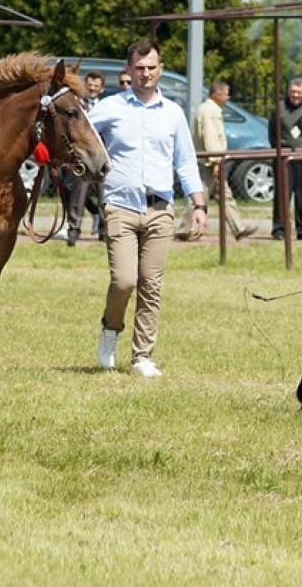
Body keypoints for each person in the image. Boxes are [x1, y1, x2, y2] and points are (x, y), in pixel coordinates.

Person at [88, 39, 208, 378]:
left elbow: (185, 162)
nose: (145, 73)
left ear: (161, 69)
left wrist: (198, 204)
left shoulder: (173, 113)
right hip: (120, 207)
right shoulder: (110, 107)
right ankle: (111, 329)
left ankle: (142, 356)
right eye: (139, 68)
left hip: (160, 209)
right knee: (124, 281)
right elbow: (79, 133)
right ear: (129, 70)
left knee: (151, 284)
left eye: (151, 67)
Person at [194, 80, 257, 241]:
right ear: (218, 94)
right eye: (226, 94)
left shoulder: (211, 109)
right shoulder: (209, 111)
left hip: (213, 161)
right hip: (209, 163)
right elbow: (210, 136)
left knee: (224, 195)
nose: (228, 98)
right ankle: (187, 228)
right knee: (200, 197)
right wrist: (216, 161)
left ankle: (238, 228)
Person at [269, 78, 302, 240]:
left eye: (299, 92)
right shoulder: (279, 108)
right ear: (288, 92)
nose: (296, 95)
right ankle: (279, 229)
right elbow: (272, 133)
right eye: (293, 92)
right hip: (284, 157)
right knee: (282, 194)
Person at [65, 71, 106, 246]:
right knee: (78, 194)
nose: (92, 88)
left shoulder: (106, 107)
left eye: (96, 86)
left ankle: (104, 230)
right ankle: (73, 230)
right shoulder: (78, 106)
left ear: (102, 89)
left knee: (104, 195)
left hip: (101, 156)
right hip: (83, 158)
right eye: (90, 85)